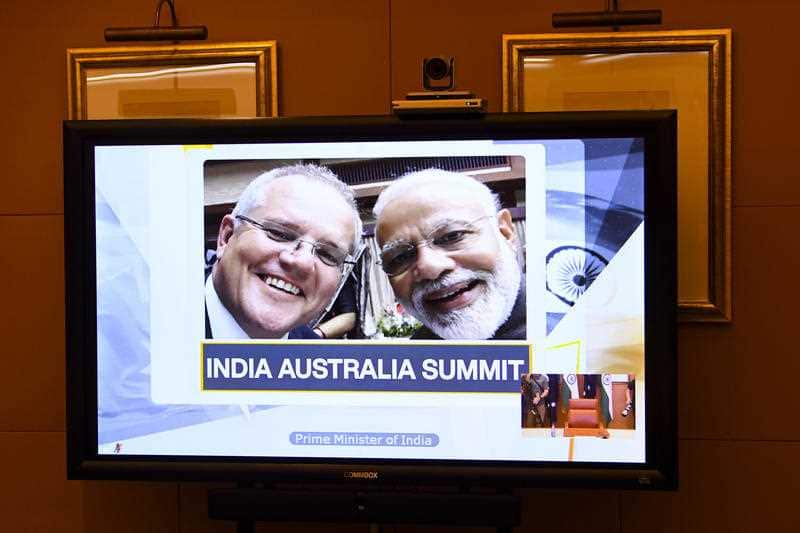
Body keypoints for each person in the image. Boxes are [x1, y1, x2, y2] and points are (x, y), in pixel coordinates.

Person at [206, 164, 362, 339]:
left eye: (327, 255)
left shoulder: (320, 360)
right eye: (279, 233)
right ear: (226, 237)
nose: (302, 262)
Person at [372, 169, 525, 340]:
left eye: (452, 236)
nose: (430, 268)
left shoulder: (557, 321)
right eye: (400, 257)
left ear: (505, 233)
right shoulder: (416, 355)